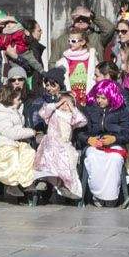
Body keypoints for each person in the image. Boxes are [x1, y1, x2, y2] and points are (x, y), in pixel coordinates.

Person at [78, 78, 129, 207]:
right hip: (94, 143)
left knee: (114, 159)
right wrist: (89, 139)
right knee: (92, 158)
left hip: (115, 143)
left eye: (103, 98)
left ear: (111, 97)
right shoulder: (90, 109)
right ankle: (97, 195)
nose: (99, 101)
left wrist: (115, 139)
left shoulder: (121, 110)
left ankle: (111, 196)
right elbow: (79, 132)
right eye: (98, 97)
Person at [32, 70, 87, 203]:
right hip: (50, 141)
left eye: (53, 85)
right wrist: (57, 104)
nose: (64, 106)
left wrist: (72, 108)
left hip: (64, 144)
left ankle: (64, 185)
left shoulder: (71, 117)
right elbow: (42, 112)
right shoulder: (54, 111)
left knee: (66, 158)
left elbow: (82, 120)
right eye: (47, 85)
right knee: (48, 153)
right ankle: (44, 178)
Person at [0, 74, 37, 200]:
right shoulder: (1, 114)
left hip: (13, 142)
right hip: (1, 144)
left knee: (28, 152)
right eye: (18, 99)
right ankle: (12, 183)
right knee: (12, 155)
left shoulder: (14, 111)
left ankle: (26, 182)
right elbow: (10, 133)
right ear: (10, 99)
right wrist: (31, 132)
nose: (20, 102)